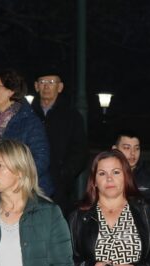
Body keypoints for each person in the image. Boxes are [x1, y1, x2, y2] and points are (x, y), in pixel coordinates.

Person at [0, 69, 53, 196]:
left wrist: (15, 178)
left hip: (27, 193)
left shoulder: (29, 121)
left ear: (11, 91)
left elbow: (41, 159)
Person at [31, 68, 88, 214]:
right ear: (36, 86)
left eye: (51, 82)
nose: (46, 86)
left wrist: (64, 174)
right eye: (42, 82)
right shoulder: (28, 114)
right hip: (29, 184)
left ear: (60, 87)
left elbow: (80, 151)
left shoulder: (72, 116)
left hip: (60, 189)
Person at [112, 130, 150, 204]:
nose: (133, 153)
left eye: (137, 148)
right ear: (115, 150)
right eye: (127, 148)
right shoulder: (104, 177)